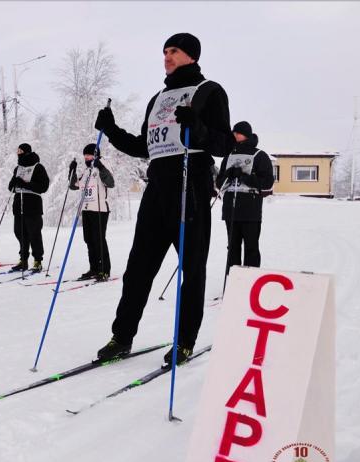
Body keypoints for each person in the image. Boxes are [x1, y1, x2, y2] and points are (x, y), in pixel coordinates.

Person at [93, 33, 231, 365]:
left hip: (191, 185)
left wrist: (197, 127)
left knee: (192, 269)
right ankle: (121, 337)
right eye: (165, 51)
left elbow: (223, 145)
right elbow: (145, 146)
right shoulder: (158, 98)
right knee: (138, 268)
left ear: (192, 56)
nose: (167, 57)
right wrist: (111, 130)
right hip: (157, 189)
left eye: (175, 51)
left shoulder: (209, 91)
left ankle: (184, 341)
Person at [215, 121, 274, 273]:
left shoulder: (259, 155)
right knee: (232, 248)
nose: (235, 135)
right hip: (231, 209)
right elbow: (219, 183)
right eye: (234, 132)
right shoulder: (229, 155)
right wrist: (228, 176)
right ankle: (232, 282)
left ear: (246, 134)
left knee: (251, 248)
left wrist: (245, 176)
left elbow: (267, 183)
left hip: (251, 210)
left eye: (238, 132)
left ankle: (249, 282)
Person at [70, 143, 115, 281]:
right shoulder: (86, 171)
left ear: (95, 155)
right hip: (87, 209)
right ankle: (94, 268)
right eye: (85, 155)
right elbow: (73, 186)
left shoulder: (102, 165)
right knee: (89, 239)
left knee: (99, 240)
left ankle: (104, 270)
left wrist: (100, 166)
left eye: (88, 155)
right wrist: (72, 171)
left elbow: (111, 182)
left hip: (99, 209)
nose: (86, 157)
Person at [8, 143, 50, 273]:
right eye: (17, 150)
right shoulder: (18, 168)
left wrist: (26, 185)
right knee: (19, 233)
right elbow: (11, 187)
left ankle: (37, 261)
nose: (18, 153)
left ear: (27, 152)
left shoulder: (38, 167)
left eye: (20, 150)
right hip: (18, 205)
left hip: (32, 206)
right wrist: (14, 183)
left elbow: (43, 187)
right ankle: (23, 260)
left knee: (34, 234)